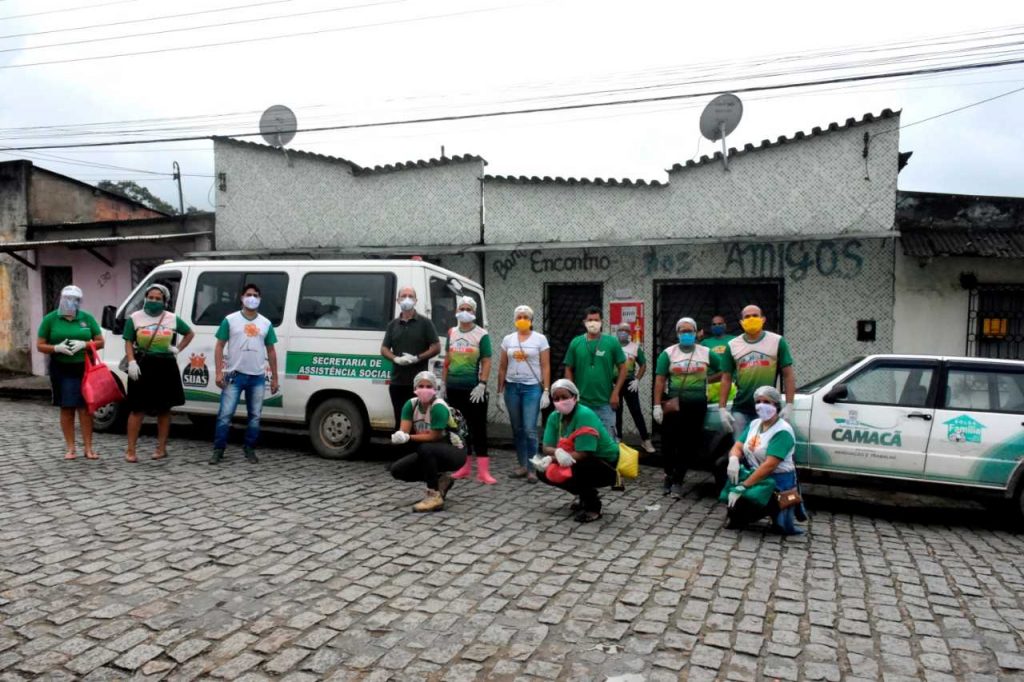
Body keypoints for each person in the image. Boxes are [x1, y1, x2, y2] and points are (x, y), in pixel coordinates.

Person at [123, 284, 195, 462]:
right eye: (151, 297)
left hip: (165, 365)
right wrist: (131, 361)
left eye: (158, 298)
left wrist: (177, 349)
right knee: (137, 409)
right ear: (146, 298)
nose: (154, 301)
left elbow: (189, 333)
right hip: (142, 364)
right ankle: (130, 450)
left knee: (164, 409)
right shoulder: (135, 318)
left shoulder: (171, 318)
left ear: (165, 301)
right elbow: (128, 341)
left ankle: (161, 448)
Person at [721, 385, 807, 535]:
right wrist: (733, 458)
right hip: (756, 474)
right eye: (758, 401)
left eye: (767, 402)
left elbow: (769, 465)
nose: (761, 405)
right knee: (721, 465)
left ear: (776, 405)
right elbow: (738, 446)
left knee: (747, 503)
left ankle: (768, 511)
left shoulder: (782, 431)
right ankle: (738, 512)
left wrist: (743, 486)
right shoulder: (755, 424)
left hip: (777, 482)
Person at [532, 379, 620, 523]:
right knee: (543, 471)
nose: (561, 401)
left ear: (575, 397)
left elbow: (585, 452)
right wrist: (554, 456)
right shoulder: (554, 417)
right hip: (578, 458)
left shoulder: (584, 415)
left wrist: (555, 457)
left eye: (565, 397)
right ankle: (584, 495)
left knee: (578, 467)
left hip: (606, 463)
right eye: (556, 398)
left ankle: (593, 507)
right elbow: (546, 447)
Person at [210, 283, 279, 465]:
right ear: (242, 298)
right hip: (234, 374)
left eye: (256, 295)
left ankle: (249, 448)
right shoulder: (230, 320)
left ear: (260, 299)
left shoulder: (266, 323)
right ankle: (219, 449)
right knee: (225, 414)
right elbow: (219, 346)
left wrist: (274, 378)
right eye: (249, 294)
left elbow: (271, 351)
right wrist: (218, 372)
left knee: (255, 416)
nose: (252, 298)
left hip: (257, 377)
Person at [653, 317, 720, 498]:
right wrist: (656, 405)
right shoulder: (668, 353)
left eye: (690, 330)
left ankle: (678, 480)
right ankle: (668, 474)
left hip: (697, 405)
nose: (686, 334)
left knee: (688, 443)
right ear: (677, 333)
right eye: (682, 331)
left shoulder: (706, 352)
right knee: (668, 441)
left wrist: (708, 380)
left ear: (696, 332)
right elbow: (660, 380)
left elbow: (725, 370)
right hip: (674, 404)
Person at [36, 285, 105, 460]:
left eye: (74, 299)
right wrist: (56, 348)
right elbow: (40, 345)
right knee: (67, 407)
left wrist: (85, 344)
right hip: (61, 367)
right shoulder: (51, 319)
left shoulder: (86, 318)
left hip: (84, 367)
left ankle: (88, 448)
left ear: (79, 302)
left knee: (85, 408)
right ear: (61, 298)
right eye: (67, 297)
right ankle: (70, 447)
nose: (70, 302)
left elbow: (100, 341)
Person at [388, 371, 467, 512]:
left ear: (434, 389)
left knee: (426, 448)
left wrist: (408, 437)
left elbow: (434, 436)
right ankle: (441, 480)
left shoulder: (439, 407)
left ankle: (433, 495)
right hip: (430, 452)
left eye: (428, 386)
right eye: (421, 386)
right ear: (415, 388)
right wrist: (400, 436)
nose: (424, 389)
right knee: (397, 470)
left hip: (455, 451)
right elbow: (404, 430)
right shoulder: (410, 405)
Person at [718, 304, 795, 436]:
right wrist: (722, 408)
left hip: (768, 406)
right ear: (741, 322)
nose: (751, 319)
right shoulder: (732, 345)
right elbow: (726, 378)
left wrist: (789, 405)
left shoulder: (777, 341)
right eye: (747, 317)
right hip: (741, 408)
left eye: (755, 316)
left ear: (763, 319)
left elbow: (788, 375)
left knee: (764, 449)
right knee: (740, 448)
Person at [444, 297, 496, 484]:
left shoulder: (481, 334)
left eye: (468, 308)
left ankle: (483, 471)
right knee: (458, 428)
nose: (464, 311)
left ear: (474, 313)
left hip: (474, 389)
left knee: (478, 428)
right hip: (453, 387)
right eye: (461, 308)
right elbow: (447, 359)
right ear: (456, 310)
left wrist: (482, 383)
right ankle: (463, 467)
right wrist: (443, 383)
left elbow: (487, 360)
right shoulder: (451, 332)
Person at [497, 305, 551, 483]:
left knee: (529, 429)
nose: (522, 319)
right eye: (519, 316)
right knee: (517, 429)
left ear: (531, 320)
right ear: (514, 319)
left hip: (531, 388)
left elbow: (545, 366)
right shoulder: (508, 339)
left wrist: (546, 390)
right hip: (512, 387)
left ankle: (533, 467)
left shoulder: (540, 339)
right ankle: (522, 465)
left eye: (526, 317)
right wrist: (499, 392)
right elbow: (503, 366)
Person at [380, 286, 440, 429]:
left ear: (416, 300)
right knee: (399, 419)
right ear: (398, 300)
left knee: (418, 422)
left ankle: (417, 450)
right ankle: (401, 449)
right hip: (397, 382)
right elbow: (384, 349)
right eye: (403, 296)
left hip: (419, 385)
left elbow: (436, 347)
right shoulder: (393, 325)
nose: (407, 299)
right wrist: (395, 359)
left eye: (410, 296)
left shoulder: (425, 323)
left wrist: (417, 358)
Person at [564, 306, 627, 438]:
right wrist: (571, 393)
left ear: (602, 322)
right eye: (590, 320)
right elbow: (568, 368)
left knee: (607, 441)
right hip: (581, 403)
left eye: (596, 320)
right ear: (584, 322)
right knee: (582, 440)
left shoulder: (612, 342)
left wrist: (616, 392)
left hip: (606, 403)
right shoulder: (576, 342)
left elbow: (623, 368)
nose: (593, 323)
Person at [613, 322, 654, 454]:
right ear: (616, 331)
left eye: (626, 330)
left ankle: (645, 440)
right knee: (616, 412)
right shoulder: (612, 346)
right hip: (614, 383)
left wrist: (637, 379)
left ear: (630, 333)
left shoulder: (635, 347)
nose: (623, 332)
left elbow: (643, 365)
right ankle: (618, 438)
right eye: (620, 329)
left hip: (629, 383)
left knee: (636, 411)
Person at [701, 314, 735, 404]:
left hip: (730, 384)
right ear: (711, 327)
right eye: (714, 324)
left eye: (720, 324)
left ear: (725, 325)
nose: (717, 326)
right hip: (711, 385)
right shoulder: (705, 342)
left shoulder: (734, 340)